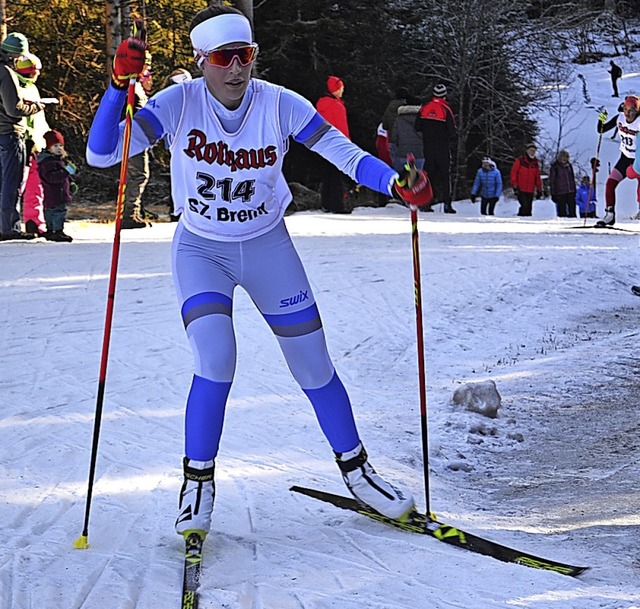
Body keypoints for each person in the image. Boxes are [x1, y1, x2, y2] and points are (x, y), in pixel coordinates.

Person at [86, 5, 435, 540]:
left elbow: (343, 152)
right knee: (217, 358)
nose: (236, 69)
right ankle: (197, 484)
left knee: (313, 364)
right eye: (224, 58)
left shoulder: (279, 103)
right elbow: (102, 154)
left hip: (267, 246)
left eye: (245, 56)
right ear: (201, 61)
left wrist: (394, 183)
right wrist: (117, 87)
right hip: (202, 250)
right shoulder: (179, 102)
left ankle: (359, 472)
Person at [0, 32, 45, 241]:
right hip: (9, 134)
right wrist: (37, 106)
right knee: (11, 182)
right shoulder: (6, 72)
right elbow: (14, 108)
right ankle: (9, 228)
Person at [15, 52, 50, 237]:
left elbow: (39, 119)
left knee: (35, 187)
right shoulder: (20, 88)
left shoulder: (32, 88)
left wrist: (46, 137)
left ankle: (34, 222)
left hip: (36, 146)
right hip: (25, 144)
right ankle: (10, 223)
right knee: (18, 186)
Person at [596, 96, 640, 226]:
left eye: (632, 111)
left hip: (638, 160)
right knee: (610, 183)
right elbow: (601, 129)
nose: (628, 114)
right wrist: (601, 119)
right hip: (625, 158)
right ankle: (610, 215)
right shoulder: (619, 118)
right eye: (626, 110)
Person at [121, 53, 154, 229]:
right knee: (138, 174)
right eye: (146, 63)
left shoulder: (138, 84)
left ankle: (132, 212)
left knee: (137, 174)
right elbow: (130, 112)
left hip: (138, 136)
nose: (148, 67)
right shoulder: (130, 85)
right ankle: (129, 214)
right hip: (133, 136)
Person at [415, 83, 457, 213]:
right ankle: (447, 204)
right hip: (442, 146)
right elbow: (453, 131)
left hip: (428, 146)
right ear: (444, 95)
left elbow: (417, 126)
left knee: (428, 175)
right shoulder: (446, 109)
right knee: (445, 176)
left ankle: (426, 203)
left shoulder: (425, 107)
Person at [160, 67, 193, 221]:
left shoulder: (193, 96)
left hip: (192, 145)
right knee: (178, 176)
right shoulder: (169, 99)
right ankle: (176, 209)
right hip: (177, 144)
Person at [315, 75, 351, 213]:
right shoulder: (336, 106)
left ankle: (327, 203)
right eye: (341, 88)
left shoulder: (321, 104)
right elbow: (342, 128)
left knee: (328, 175)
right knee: (336, 175)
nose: (342, 91)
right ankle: (337, 205)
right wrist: (347, 145)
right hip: (337, 145)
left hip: (323, 145)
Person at [37, 129, 76, 242]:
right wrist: (66, 171)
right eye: (55, 146)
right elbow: (52, 178)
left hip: (59, 192)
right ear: (48, 147)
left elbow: (62, 178)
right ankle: (56, 231)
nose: (59, 148)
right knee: (57, 212)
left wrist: (71, 184)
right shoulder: (48, 162)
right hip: (54, 194)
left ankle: (51, 230)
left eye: (61, 145)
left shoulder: (58, 160)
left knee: (52, 211)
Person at [389, 96, 424, 174]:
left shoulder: (399, 119)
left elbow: (394, 138)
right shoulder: (423, 119)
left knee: (399, 180)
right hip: (419, 154)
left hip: (402, 154)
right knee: (417, 181)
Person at [509, 143, 543, 217]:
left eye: (534, 151)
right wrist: (514, 185)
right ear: (527, 151)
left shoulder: (535, 163)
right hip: (521, 187)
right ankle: (520, 219)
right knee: (524, 206)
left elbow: (537, 177)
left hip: (530, 189)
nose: (532, 152)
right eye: (531, 150)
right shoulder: (520, 160)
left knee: (529, 209)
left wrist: (539, 189)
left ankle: (526, 222)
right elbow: (514, 173)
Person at [548, 149, 576, 218]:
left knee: (572, 209)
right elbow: (552, 180)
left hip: (570, 191)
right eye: (562, 157)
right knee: (562, 211)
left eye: (566, 157)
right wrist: (553, 193)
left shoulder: (569, 166)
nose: (564, 159)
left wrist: (574, 189)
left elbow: (572, 178)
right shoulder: (555, 166)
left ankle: (573, 221)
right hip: (560, 191)